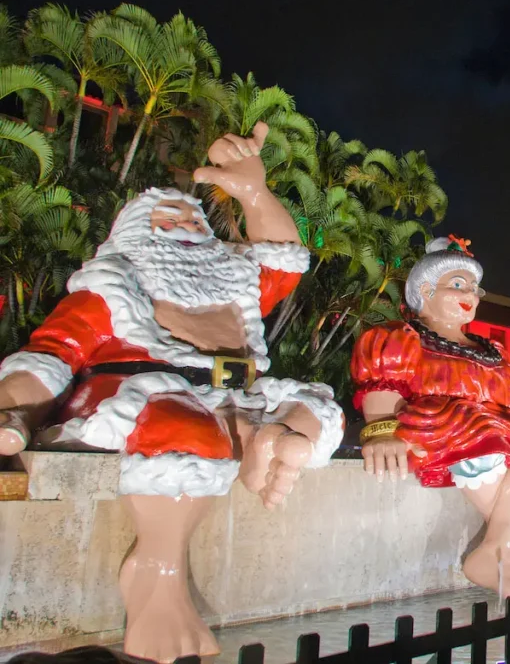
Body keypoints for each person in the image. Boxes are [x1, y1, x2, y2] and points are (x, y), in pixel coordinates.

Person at [0, 124, 344, 663]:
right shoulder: (113, 285)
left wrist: (254, 192)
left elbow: (282, 257)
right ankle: (155, 576)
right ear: (133, 233)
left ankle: (264, 438)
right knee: (184, 425)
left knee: (316, 410)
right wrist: (14, 407)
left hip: (237, 394)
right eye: (169, 219)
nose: (187, 226)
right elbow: (52, 354)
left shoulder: (234, 278)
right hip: (147, 398)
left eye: (194, 219)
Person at [351, 235, 510, 605]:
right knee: (480, 430)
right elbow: (383, 387)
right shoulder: (400, 337)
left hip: (491, 428)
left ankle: (497, 547)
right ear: (425, 290)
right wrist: (381, 431)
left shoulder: (495, 353)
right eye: (458, 285)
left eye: (475, 288)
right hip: (442, 427)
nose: (470, 296)